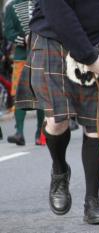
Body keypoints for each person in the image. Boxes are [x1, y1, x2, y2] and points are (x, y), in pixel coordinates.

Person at [15, 0, 99, 224]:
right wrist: (88, 57)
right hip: (53, 37)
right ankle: (59, 170)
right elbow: (56, 7)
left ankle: (92, 200)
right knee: (57, 121)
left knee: (96, 124)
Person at [4, 0, 45, 146]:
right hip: (21, 56)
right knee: (19, 94)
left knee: (40, 94)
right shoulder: (11, 7)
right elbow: (9, 32)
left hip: (41, 54)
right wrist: (24, 39)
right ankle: (19, 132)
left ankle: (40, 133)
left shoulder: (43, 3)